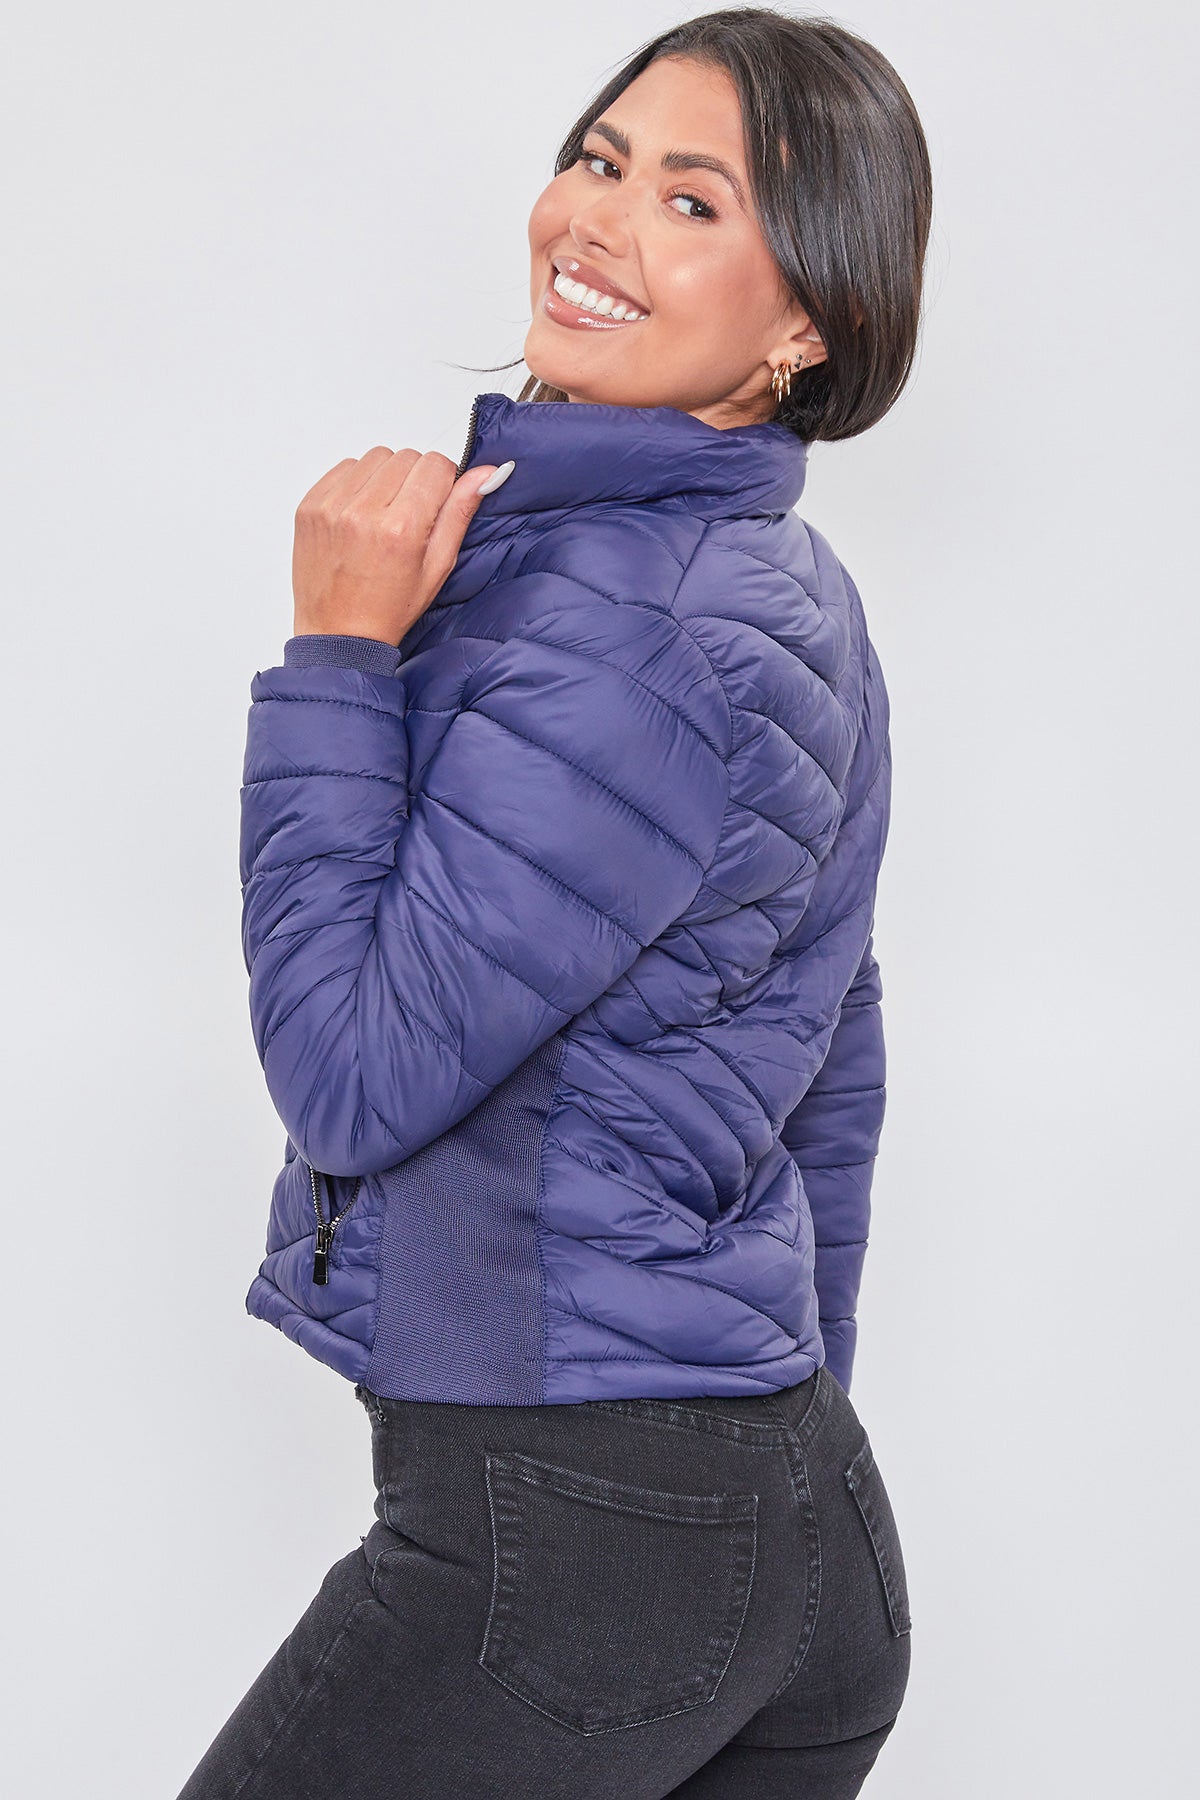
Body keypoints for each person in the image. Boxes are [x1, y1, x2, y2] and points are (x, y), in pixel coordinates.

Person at [177, 8, 932, 1796]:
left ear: (807, 324)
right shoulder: (790, 590)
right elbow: (830, 1059)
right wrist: (759, 1456)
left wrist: (339, 655)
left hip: (578, 1549)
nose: (598, 220)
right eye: (599, 160)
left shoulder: (620, 628)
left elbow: (351, 1075)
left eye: (693, 201)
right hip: (800, 1518)